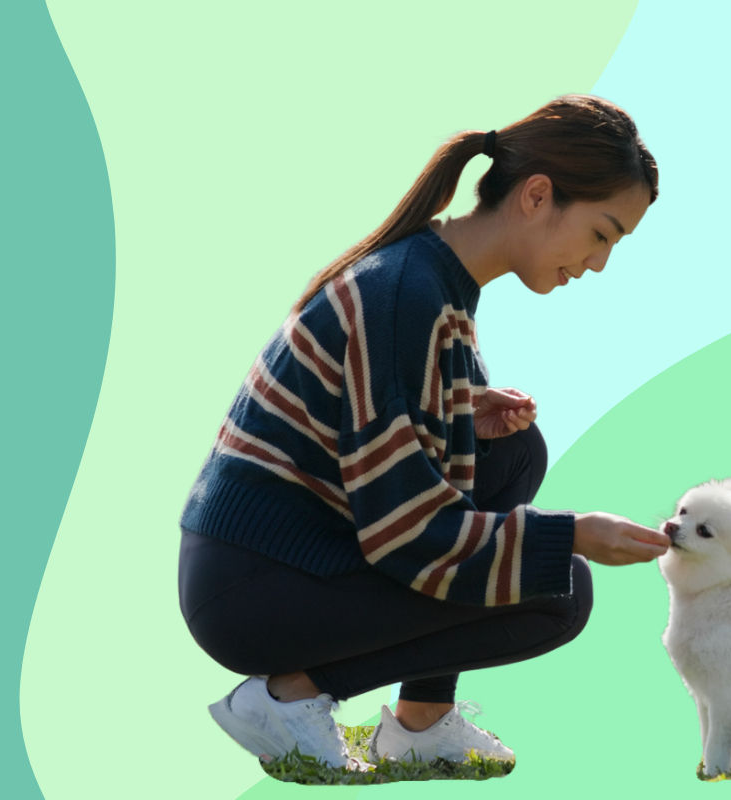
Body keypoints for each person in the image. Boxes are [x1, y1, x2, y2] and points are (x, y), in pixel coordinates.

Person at [178, 94, 670, 772]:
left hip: (289, 554)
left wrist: (458, 409)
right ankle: (287, 698)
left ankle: (421, 721)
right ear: (536, 195)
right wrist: (573, 533)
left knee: (514, 451)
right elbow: (407, 532)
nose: (599, 263)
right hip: (250, 584)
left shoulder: (435, 279)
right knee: (560, 589)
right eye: (602, 233)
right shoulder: (405, 293)